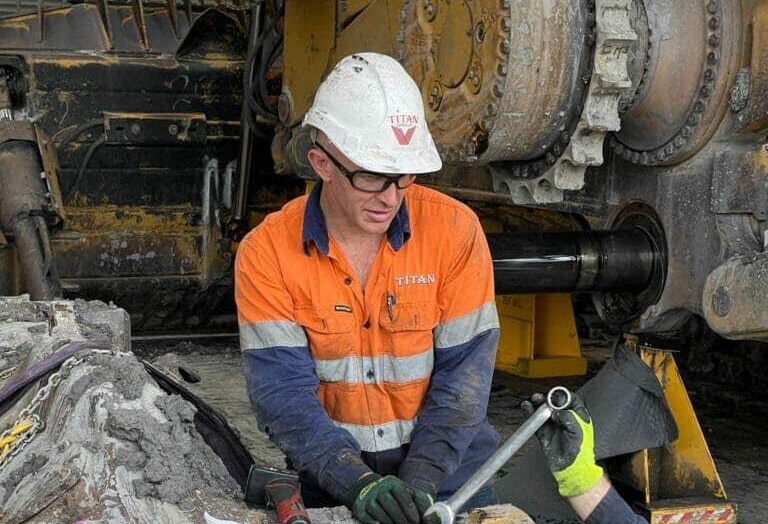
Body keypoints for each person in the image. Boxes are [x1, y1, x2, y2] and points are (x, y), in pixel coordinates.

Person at [235, 52, 646, 524]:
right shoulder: (267, 253)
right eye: (372, 176)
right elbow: (282, 395)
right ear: (322, 164)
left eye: (404, 177)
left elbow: (462, 386)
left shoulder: (454, 233)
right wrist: (357, 483)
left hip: (453, 483)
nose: (390, 197)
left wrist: (421, 486)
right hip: (334, 482)